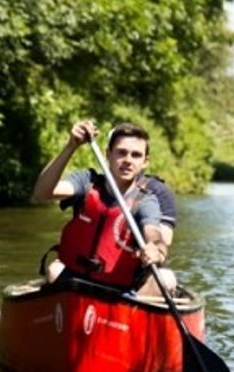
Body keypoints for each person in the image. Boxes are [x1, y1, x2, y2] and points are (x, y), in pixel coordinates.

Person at [32, 120, 176, 296]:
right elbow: (41, 193)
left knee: (165, 279)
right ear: (108, 154)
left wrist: (155, 248)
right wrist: (71, 147)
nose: (128, 161)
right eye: (121, 153)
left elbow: (153, 231)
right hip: (76, 281)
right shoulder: (86, 182)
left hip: (120, 292)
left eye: (136, 155)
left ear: (145, 162)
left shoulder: (146, 200)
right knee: (54, 271)